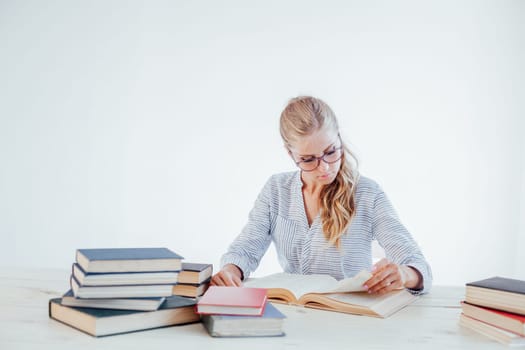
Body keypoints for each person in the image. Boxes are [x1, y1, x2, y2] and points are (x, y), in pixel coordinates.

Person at [211, 96, 432, 295]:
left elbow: (415, 262)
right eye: (308, 159)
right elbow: (245, 250)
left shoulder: (367, 194)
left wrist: (405, 274)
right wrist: (232, 270)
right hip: (296, 314)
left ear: (339, 139)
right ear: (290, 154)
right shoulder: (276, 190)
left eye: (330, 152)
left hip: (350, 317)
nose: (324, 168)